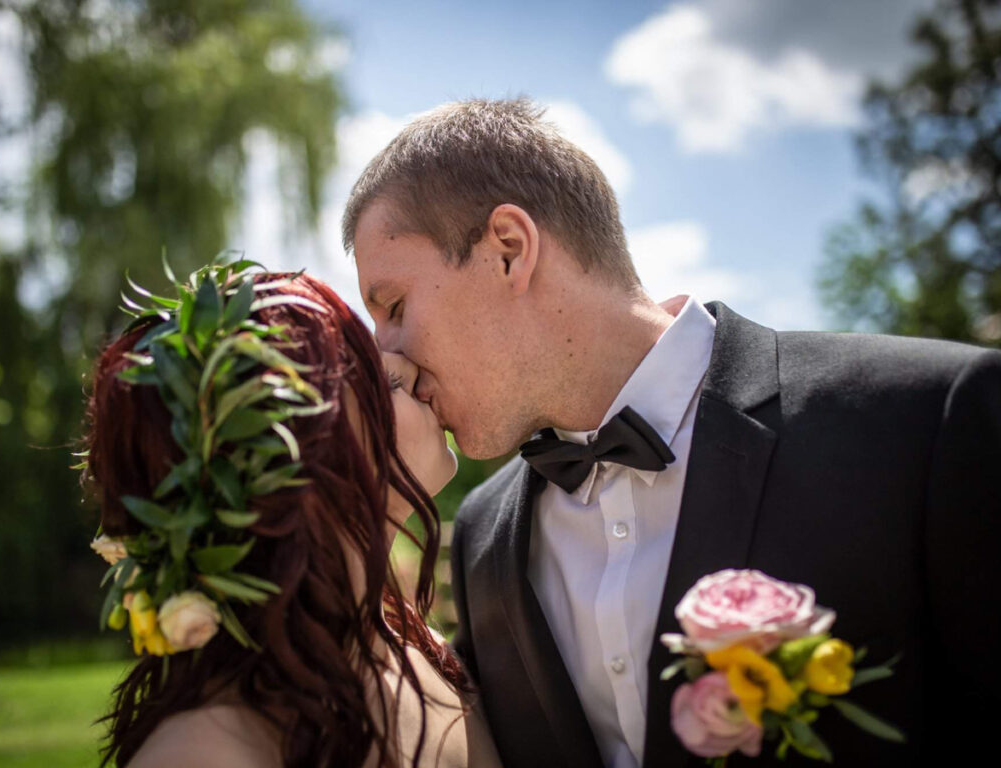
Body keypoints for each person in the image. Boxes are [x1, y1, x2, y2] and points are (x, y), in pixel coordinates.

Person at [344, 98, 1001, 767]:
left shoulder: (924, 423)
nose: (386, 355)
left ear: (509, 250)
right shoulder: (484, 537)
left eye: (393, 307)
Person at [81, 268, 501, 768]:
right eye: (378, 383)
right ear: (298, 460)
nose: (409, 367)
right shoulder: (204, 752)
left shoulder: (427, 650)